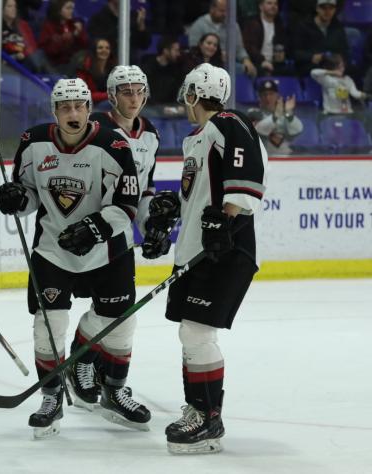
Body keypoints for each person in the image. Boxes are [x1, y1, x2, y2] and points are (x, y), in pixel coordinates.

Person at [0, 78, 149, 438]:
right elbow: (30, 195)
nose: (73, 113)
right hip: (52, 251)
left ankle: (114, 390)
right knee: (48, 326)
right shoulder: (34, 143)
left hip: (109, 250)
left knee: (121, 324)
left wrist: (94, 228)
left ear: (89, 109)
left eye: (79, 106)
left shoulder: (113, 144)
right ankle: (51, 397)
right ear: (54, 111)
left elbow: (125, 205)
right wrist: (17, 200)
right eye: (65, 107)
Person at [149, 63, 267, 453]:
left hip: (225, 251)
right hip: (198, 251)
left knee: (197, 333)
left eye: (187, 93)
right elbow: (201, 197)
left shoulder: (229, 123)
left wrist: (225, 221)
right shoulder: (198, 137)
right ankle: (197, 410)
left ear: (193, 94)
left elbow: (245, 180)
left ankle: (208, 418)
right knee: (190, 332)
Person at [65, 66, 165, 411]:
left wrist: (153, 223)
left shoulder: (150, 133)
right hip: (90, 231)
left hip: (121, 234)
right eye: (126, 91)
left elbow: (146, 190)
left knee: (122, 311)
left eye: (139, 90)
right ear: (111, 96)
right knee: (110, 309)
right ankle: (83, 361)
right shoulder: (97, 130)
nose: (134, 97)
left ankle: (110, 381)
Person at [187, 0, 257, 77]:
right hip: (205, 63)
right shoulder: (199, 25)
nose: (225, 14)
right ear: (212, 9)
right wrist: (216, 54)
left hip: (229, 63)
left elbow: (239, 48)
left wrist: (245, 60)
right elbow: (193, 50)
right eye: (221, 11)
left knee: (250, 70)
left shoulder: (233, 25)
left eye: (227, 11)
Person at [291, 0, 349, 76]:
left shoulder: (338, 28)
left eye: (331, 8)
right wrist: (311, 57)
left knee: (352, 70)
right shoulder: (303, 26)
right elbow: (295, 53)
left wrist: (341, 62)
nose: (327, 11)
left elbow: (344, 51)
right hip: (311, 67)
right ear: (317, 8)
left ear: (335, 10)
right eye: (324, 8)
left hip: (333, 66)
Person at [247, 79, 304, 155]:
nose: (268, 98)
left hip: (287, 158)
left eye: (271, 94)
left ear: (277, 95)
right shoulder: (253, 113)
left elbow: (297, 130)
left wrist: (288, 114)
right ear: (259, 97)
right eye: (264, 94)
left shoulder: (286, 114)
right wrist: (276, 116)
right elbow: (259, 129)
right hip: (263, 158)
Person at [38, 0, 89, 76]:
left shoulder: (73, 24)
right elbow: (50, 50)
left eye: (72, 8)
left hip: (72, 63)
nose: (71, 11)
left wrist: (79, 33)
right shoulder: (48, 26)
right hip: (55, 65)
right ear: (58, 10)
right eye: (68, 8)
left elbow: (85, 45)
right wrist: (70, 36)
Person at [241, 0, 288, 77]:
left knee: (290, 73)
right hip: (257, 62)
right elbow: (249, 47)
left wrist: (281, 54)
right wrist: (262, 61)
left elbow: (283, 44)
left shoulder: (279, 24)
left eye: (275, 4)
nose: (273, 6)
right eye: (269, 3)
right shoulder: (252, 24)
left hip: (275, 63)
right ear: (261, 6)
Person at [141, 36, 184, 107]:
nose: (178, 54)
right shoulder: (148, 68)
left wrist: (177, 106)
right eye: (176, 50)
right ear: (166, 51)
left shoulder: (177, 69)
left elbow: (177, 93)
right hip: (151, 108)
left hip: (170, 108)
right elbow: (145, 94)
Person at [76, 38, 116, 104]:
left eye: (107, 48)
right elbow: (84, 94)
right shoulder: (84, 68)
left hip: (107, 101)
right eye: (100, 48)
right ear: (94, 50)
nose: (104, 50)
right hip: (90, 105)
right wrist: (108, 95)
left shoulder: (112, 68)